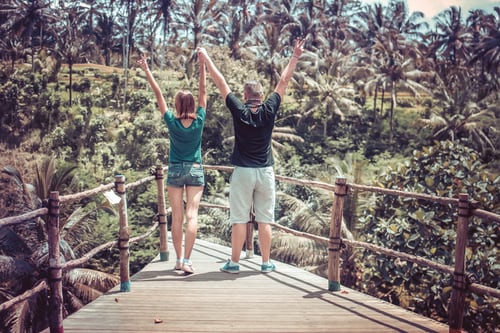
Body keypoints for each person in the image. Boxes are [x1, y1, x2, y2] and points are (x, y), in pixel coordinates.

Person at [198, 38, 305, 274]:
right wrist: (295, 55)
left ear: (245, 96)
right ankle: (266, 262)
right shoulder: (270, 108)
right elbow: (284, 80)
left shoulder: (239, 109)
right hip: (265, 172)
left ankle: (234, 263)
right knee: (265, 220)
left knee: (240, 219)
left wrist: (206, 59)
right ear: (262, 95)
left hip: (243, 172)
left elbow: (221, 82)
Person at [137, 51, 207, 274]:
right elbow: (204, 91)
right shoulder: (200, 120)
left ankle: (177, 260)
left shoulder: (171, 121)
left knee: (176, 217)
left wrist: (147, 70)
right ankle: (187, 260)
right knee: (192, 216)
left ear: (176, 105)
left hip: (175, 170)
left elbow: (158, 93)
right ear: (193, 104)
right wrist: (203, 65)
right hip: (195, 170)